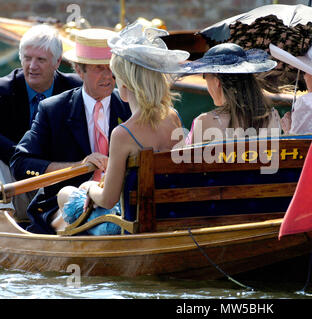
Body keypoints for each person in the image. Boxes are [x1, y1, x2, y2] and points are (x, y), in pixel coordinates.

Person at [50, 22, 188, 235]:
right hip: (166, 213)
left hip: (128, 226)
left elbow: (108, 198)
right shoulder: (174, 118)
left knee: (66, 193)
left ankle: (77, 248)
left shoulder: (123, 134)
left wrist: (89, 188)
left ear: (124, 87)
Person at [10, 28, 132, 234]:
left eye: (112, 68)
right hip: (62, 203)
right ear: (78, 69)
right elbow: (21, 163)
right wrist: (79, 165)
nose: (108, 76)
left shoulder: (130, 106)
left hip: (123, 203)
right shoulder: (53, 109)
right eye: (98, 69)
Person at [0, 24, 82, 218]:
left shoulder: (76, 90)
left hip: (60, 179)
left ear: (57, 62)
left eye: (41, 60)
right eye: (27, 58)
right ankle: (4, 222)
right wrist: (31, 163)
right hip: (14, 178)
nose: (32, 66)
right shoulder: (3, 90)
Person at [181, 43, 281, 144]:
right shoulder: (273, 116)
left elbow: (187, 157)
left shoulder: (204, 122)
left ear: (217, 82)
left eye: (205, 77)